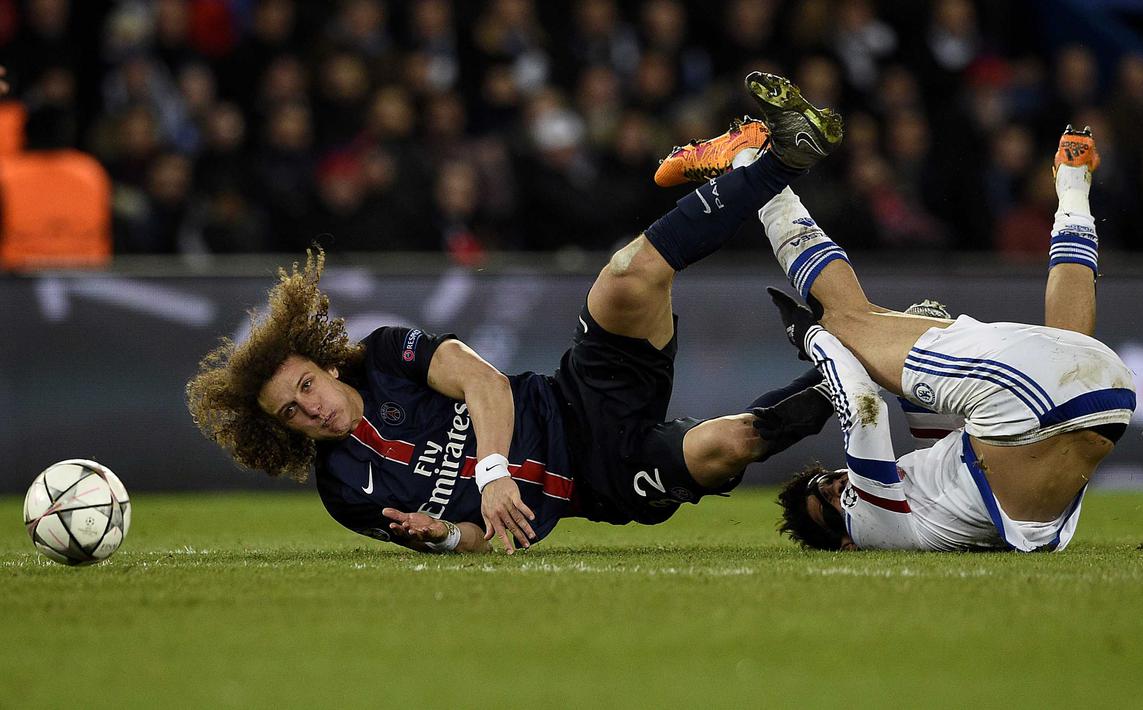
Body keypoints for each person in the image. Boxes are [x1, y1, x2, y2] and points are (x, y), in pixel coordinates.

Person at [185, 72, 842, 554]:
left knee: (626, 273)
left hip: (580, 394)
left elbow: (484, 381)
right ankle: (850, 374)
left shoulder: (383, 357)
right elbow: (477, 537)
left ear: (325, 365)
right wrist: (445, 537)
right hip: (604, 479)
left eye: (305, 385)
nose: (310, 408)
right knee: (733, 443)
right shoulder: (343, 492)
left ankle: (773, 158)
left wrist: (492, 472)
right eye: (290, 412)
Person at [665, 122, 1134, 552]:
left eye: (824, 481)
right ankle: (751, 161)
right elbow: (864, 409)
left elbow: (940, 437)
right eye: (827, 503)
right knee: (846, 319)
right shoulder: (873, 527)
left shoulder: (938, 507)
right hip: (1026, 400)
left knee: (1067, 346)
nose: (834, 487)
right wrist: (814, 338)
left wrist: (909, 345)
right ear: (846, 545)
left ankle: (1074, 182)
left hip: (1103, 398)